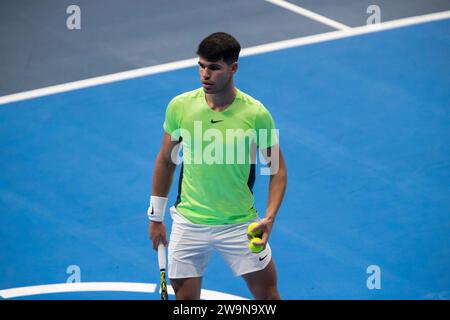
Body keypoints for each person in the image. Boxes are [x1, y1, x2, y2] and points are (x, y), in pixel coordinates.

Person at [148, 32, 287, 300]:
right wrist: (155, 217)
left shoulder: (256, 115)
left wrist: (269, 218)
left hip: (240, 225)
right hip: (189, 222)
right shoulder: (181, 107)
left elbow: (277, 170)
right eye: (201, 66)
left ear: (233, 68)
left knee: (268, 297)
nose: (205, 75)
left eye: (214, 68)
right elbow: (167, 161)